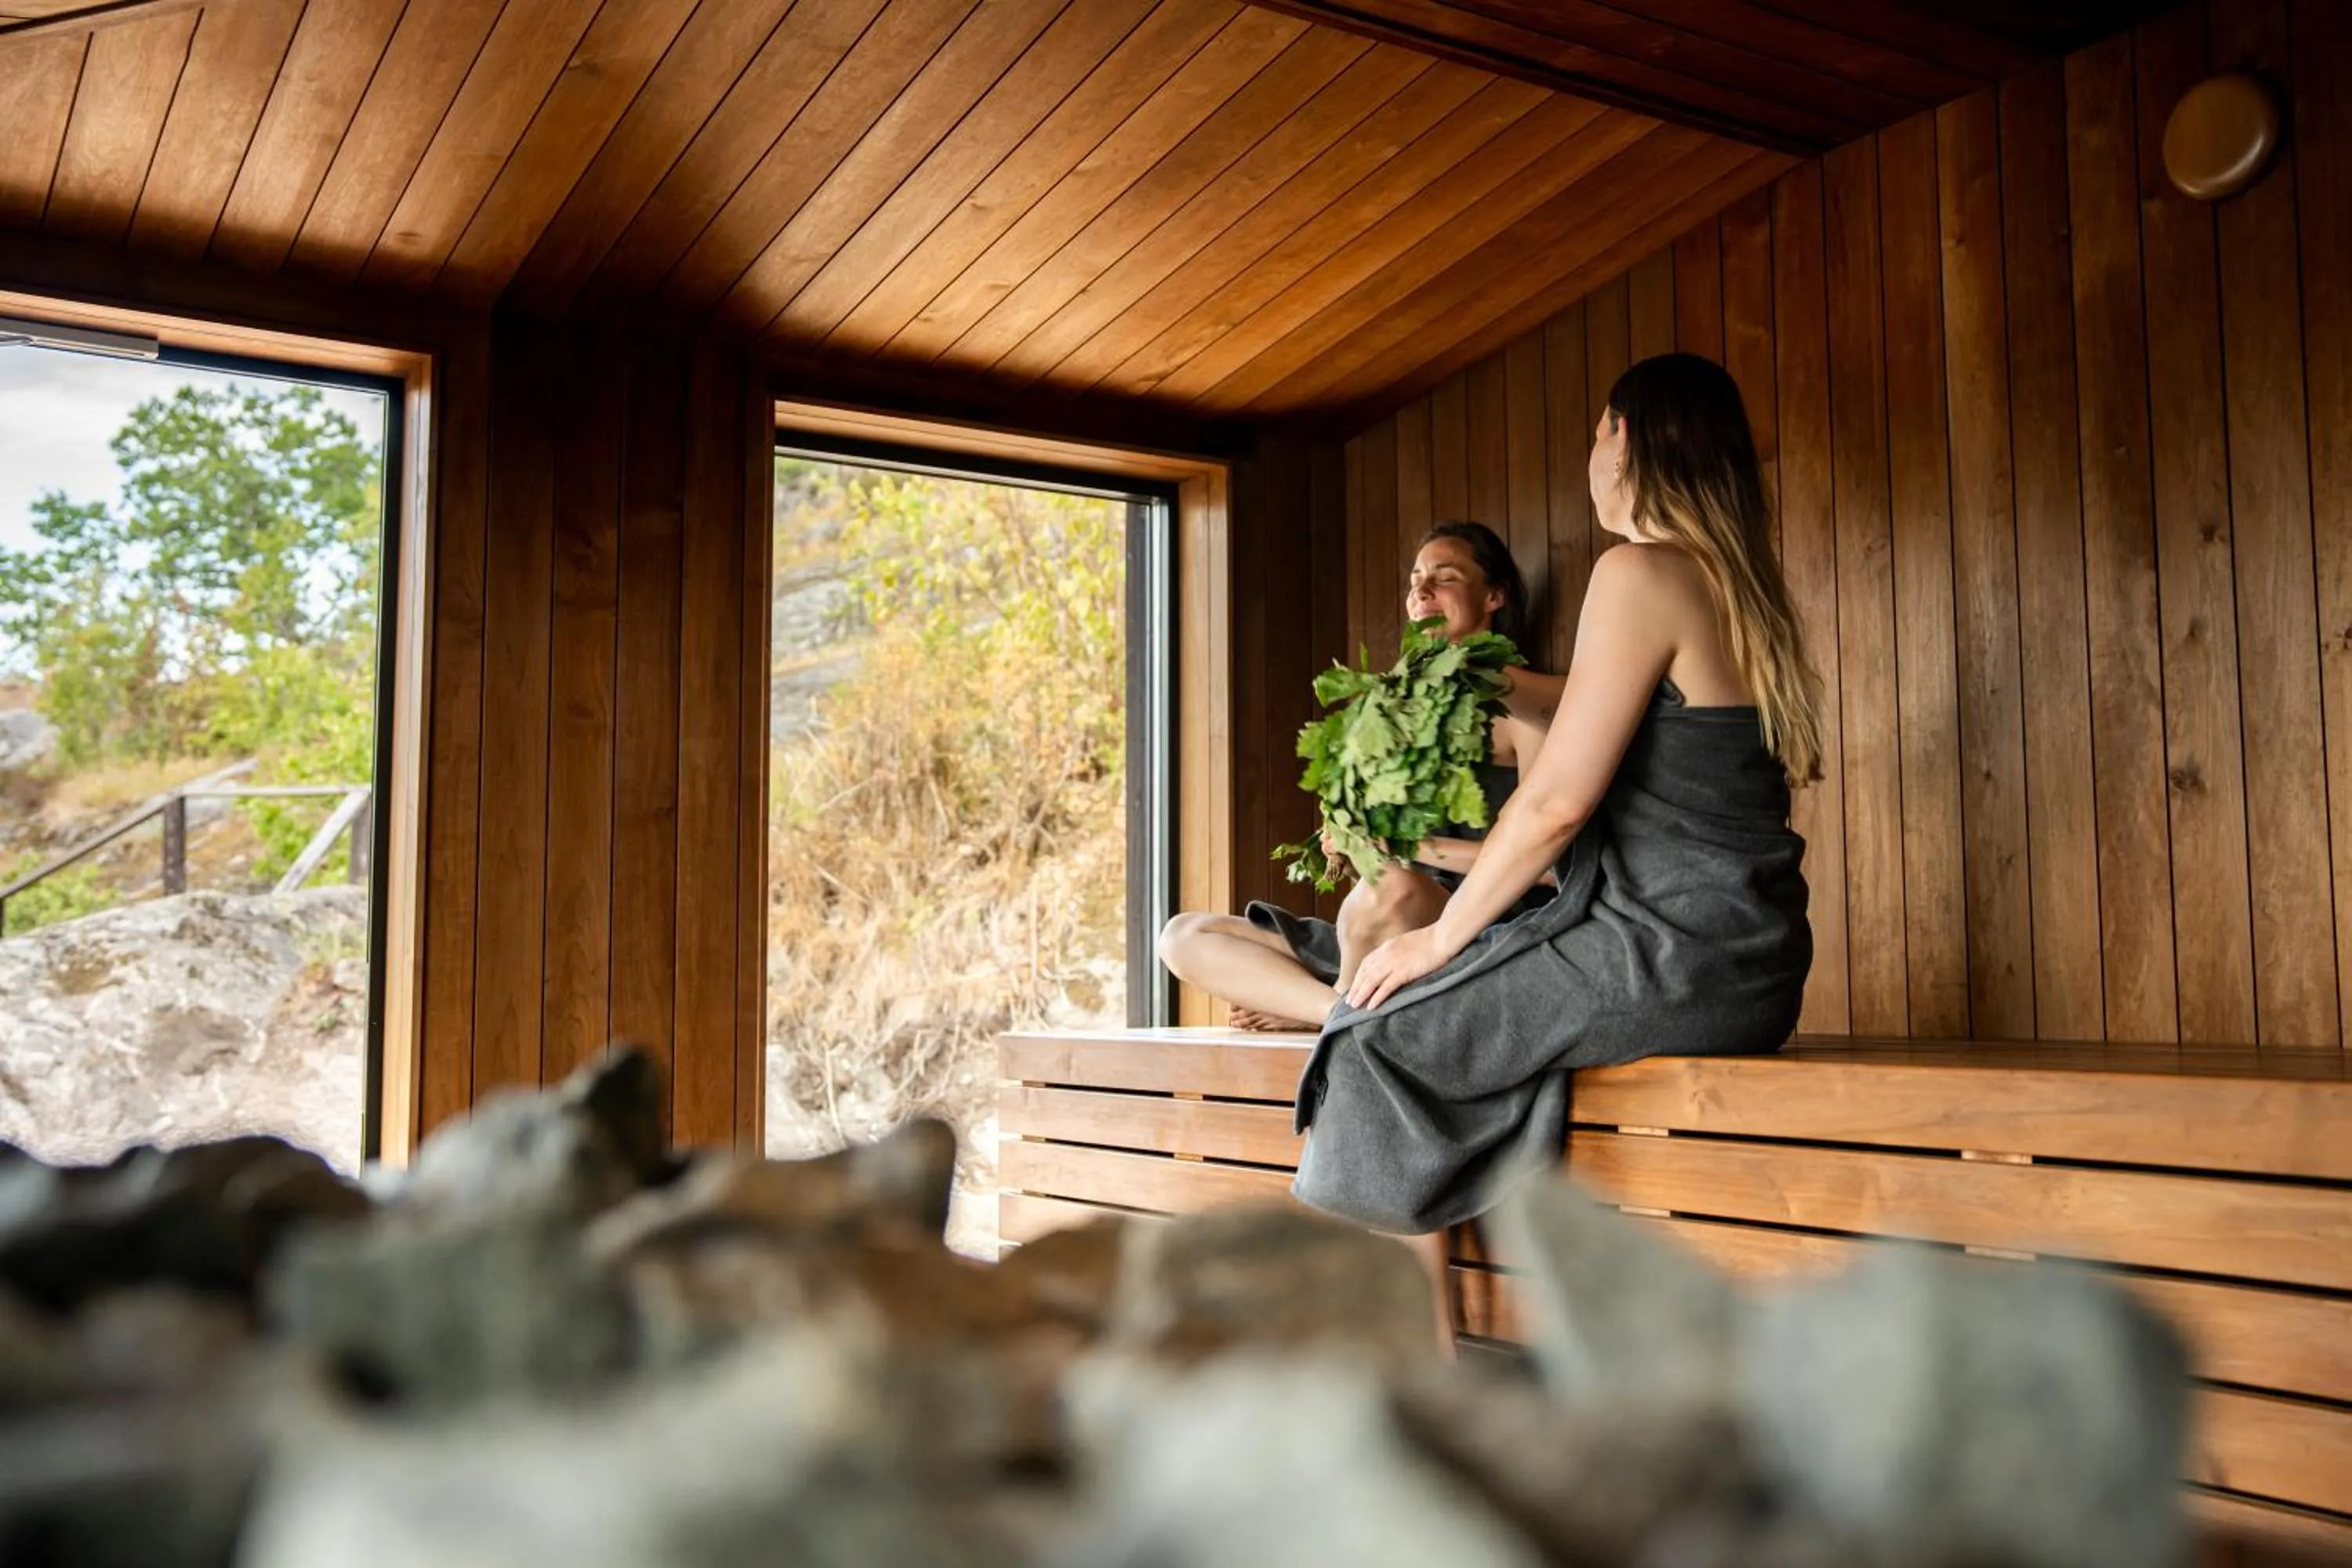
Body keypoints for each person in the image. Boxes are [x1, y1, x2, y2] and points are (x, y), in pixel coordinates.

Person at [1294, 352, 1822, 1320]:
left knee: (1373, 1040)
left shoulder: (1639, 570)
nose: (1591, 453)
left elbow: (1555, 804)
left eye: (1595, 431)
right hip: (1744, 955)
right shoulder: (1733, 583)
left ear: (1623, 438)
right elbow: (1597, 705)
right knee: (1427, 1021)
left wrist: (1437, 938)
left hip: (1665, 949)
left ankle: (1422, 1391)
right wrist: (1473, 674)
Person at [1156, 521, 1566, 1033]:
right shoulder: (1397, 712)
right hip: (1379, 929)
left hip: (1470, 930)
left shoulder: (1521, 710)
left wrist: (1405, 848)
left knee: (1391, 885)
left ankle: (1327, 1012)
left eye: (1445, 576)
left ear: (1494, 596)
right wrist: (1355, 849)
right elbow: (1374, 889)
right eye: (1416, 578)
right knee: (1183, 935)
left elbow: (1551, 868)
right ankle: (1338, 1012)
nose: (1421, 589)